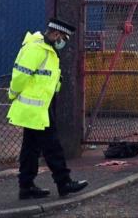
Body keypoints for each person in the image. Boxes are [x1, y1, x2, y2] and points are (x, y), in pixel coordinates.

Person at [7, 18, 89, 199]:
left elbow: (47, 78)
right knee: (52, 146)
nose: (64, 43)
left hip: (38, 107)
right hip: (35, 108)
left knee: (31, 148)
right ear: (57, 34)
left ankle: (26, 186)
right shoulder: (37, 49)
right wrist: (12, 94)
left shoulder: (47, 50)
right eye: (64, 39)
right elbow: (20, 75)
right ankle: (64, 182)